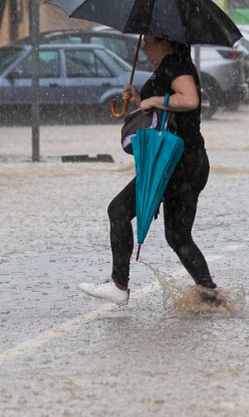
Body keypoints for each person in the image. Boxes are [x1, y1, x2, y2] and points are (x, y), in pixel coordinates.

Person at [79, 34, 217, 306]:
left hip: (175, 162)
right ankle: (211, 297)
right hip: (189, 163)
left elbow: (188, 99)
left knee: (118, 210)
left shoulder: (175, 65)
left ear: (165, 42)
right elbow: (166, 112)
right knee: (178, 236)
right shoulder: (175, 65)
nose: (144, 46)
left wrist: (154, 100)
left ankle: (119, 284)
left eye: (149, 41)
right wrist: (139, 98)